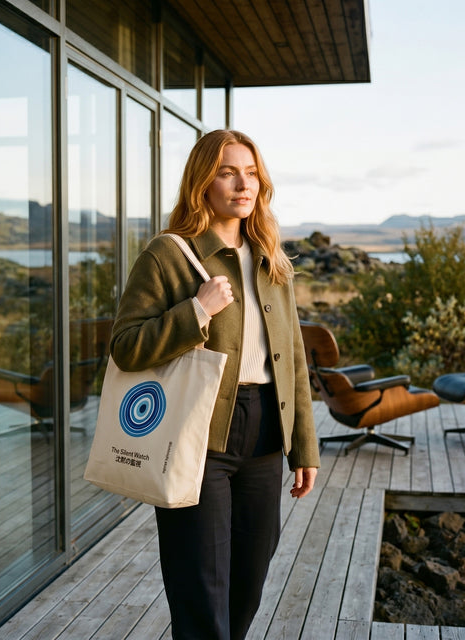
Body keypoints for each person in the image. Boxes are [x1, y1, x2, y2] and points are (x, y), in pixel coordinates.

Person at [109, 129, 320, 640]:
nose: (242, 184)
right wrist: (198, 310)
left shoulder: (272, 259)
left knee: (248, 584)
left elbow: (292, 357)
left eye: (251, 173)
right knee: (200, 593)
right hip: (198, 435)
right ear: (203, 181)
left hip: (267, 432)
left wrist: (305, 447)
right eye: (228, 172)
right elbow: (126, 345)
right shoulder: (170, 253)